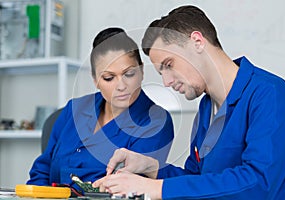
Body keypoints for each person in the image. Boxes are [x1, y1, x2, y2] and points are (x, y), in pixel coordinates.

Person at [92, 5, 285, 199]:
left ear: (197, 42)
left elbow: (258, 184)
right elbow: (196, 178)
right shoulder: (207, 107)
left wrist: (155, 189)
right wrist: (151, 168)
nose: (166, 82)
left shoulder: (269, 93)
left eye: (169, 64)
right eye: (161, 72)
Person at [26, 27, 174, 191]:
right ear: (95, 80)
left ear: (142, 71)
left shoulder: (156, 122)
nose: (121, 86)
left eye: (129, 74)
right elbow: (42, 171)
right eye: (109, 78)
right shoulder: (73, 109)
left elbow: (129, 186)